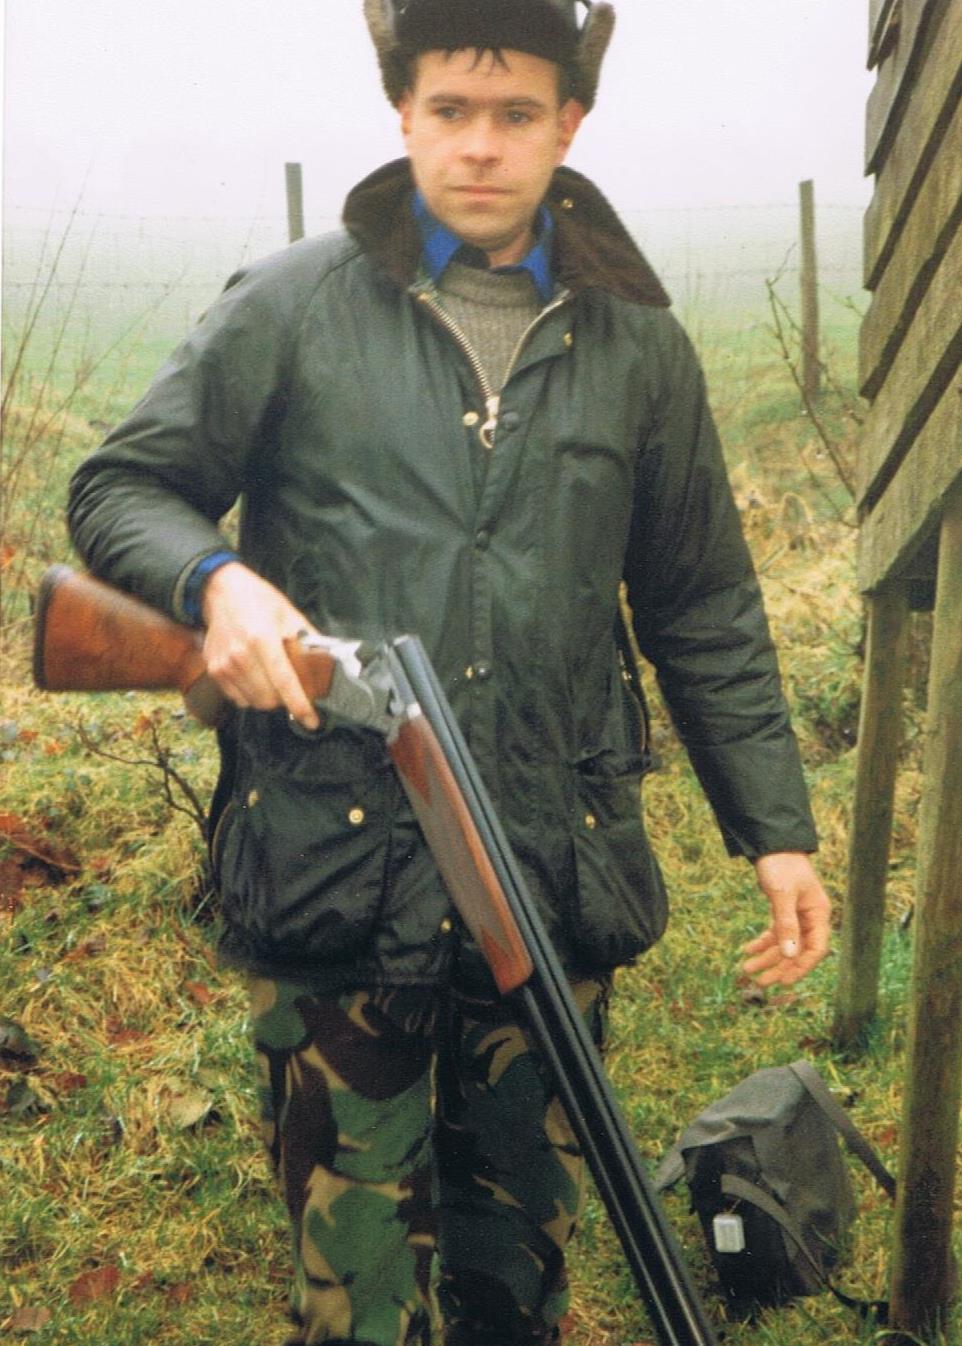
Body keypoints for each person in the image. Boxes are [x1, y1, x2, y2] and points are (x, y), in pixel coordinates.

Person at [67, 2, 832, 1343]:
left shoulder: (637, 344)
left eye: (516, 114)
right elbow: (121, 488)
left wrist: (775, 831)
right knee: (355, 1290)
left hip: (542, 862)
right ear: (403, 114)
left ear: (568, 124)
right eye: (451, 111)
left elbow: (701, 599)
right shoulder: (293, 303)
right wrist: (215, 580)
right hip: (334, 861)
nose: (481, 146)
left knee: (515, 1277)